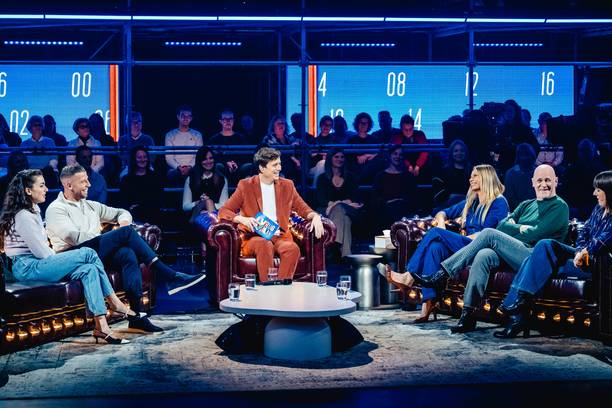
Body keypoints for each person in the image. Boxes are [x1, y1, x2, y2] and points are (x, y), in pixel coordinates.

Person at [45, 165, 206, 333]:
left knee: (127, 254)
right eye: (83, 181)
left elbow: (122, 212)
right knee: (126, 234)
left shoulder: (91, 206)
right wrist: (112, 237)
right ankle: (169, 275)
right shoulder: (56, 209)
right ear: (69, 185)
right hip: (73, 258)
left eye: (88, 180)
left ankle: (137, 317)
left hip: (93, 253)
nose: (89, 184)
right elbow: (73, 238)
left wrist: (122, 224)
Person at [414, 164, 569, 333]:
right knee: (483, 254)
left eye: (547, 180)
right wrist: (521, 228)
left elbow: (537, 234)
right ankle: (468, 315)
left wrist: (515, 229)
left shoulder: (559, 206)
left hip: (534, 257)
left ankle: (441, 274)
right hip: (513, 253)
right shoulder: (526, 205)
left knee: (488, 233)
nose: (543, 184)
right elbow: (502, 226)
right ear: (532, 182)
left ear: (556, 181)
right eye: (539, 180)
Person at [0, 169, 131, 344]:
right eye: (42, 185)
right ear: (28, 190)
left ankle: (102, 326)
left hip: (38, 263)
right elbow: (42, 253)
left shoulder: (34, 210)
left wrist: (64, 260)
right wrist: (64, 259)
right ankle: (114, 302)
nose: (46, 189)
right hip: (27, 267)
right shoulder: (23, 215)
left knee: (89, 269)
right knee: (88, 253)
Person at [383, 164, 508, 323]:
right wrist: (442, 225)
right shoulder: (471, 202)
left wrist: (442, 234)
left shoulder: (499, 202)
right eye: (471, 176)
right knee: (435, 247)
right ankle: (428, 302)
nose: (471, 179)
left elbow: (488, 234)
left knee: (435, 234)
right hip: (465, 245)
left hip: (482, 248)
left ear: (487, 177)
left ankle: (408, 276)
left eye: (475, 176)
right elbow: (442, 212)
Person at [495, 170, 612, 338]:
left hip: (597, 263)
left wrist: (586, 251)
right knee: (544, 245)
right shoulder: (598, 209)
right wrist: (579, 251)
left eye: (598, 190)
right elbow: (584, 232)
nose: (594, 193)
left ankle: (516, 309)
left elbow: (604, 240)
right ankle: (520, 305)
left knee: (535, 260)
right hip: (581, 256)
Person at [218, 147, 324, 282]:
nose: (279, 168)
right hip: (254, 237)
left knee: (292, 249)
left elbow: (303, 209)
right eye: (275, 165)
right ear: (262, 168)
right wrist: (242, 219)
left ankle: (279, 288)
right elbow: (224, 211)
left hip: (280, 236)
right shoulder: (246, 186)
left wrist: (315, 216)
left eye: (279, 164)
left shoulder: (287, 186)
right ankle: (267, 286)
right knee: (264, 244)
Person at [314, 148, 362, 259]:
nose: (340, 159)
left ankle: (334, 243)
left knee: (340, 209)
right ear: (330, 159)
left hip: (348, 209)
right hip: (327, 211)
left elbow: (355, 197)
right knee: (345, 218)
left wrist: (337, 203)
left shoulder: (351, 177)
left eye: (342, 157)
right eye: (336, 157)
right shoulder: (322, 178)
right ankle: (346, 255)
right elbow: (322, 200)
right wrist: (339, 204)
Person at [371, 145, 418, 233]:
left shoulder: (408, 176)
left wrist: (400, 201)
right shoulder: (380, 176)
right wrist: (388, 202)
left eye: (400, 155)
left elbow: (414, 197)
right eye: (395, 154)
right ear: (389, 156)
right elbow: (375, 198)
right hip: (385, 210)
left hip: (404, 209)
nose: (398, 157)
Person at [119, 147, 164, 224]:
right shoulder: (126, 179)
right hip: (133, 215)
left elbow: (158, 199)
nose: (142, 160)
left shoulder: (155, 177)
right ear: (134, 159)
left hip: (152, 214)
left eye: (145, 157)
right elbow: (124, 200)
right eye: (139, 157)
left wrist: (140, 205)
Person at [182, 146, 228, 220]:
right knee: (207, 203)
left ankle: (212, 223)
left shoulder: (222, 179)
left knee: (208, 203)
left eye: (210, 158)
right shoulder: (191, 179)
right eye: (204, 159)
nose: (208, 161)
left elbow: (223, 205)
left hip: (216, 213)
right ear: (199, 161)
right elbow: (185, 206)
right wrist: (199, 203)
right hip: (196, 215)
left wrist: (208, 206)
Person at [165, 106, 204, 186]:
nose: (186, 118)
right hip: (175, 168)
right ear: (178, 117)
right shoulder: (169, 135)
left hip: (193, 167)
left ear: (191, 118)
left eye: (188, 116)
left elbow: (199, 155)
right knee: (171, 174)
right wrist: (178, 167)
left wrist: (189, 167)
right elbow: (169, 157)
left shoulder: (197, 135)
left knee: (198, 173)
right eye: (183, 116)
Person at [208, 110, 247, 183]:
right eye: (225, 119)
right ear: (220, 121)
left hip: (238, 167)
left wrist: (236, 164)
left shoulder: (241, 138)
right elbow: (213, 158)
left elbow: (246, 156)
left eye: (230, 119)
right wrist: (226, 163)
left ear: (233, 121)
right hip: (222, 168)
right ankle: (222, 187)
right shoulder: (214, 139)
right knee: (217, 166)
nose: (228, 121)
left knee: (248, 166)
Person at [433, 139, 472, 209]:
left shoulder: (473, 171)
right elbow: (438, 197)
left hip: (468, 206)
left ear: (466, 153)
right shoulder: (443, 172)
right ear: (451, 153)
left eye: (462, 151)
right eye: (456, 151)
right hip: (448, 207)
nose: (459, 153)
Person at [261, 115, 301, 181]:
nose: (281, 125)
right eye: (279, 124)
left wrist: (297, 144)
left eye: (283, 123)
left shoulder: (289, 138)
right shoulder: (269, 138)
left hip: (291, 166)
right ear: (273, 126)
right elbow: (274, 153)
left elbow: (300, 143)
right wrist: (293, 158)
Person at [503, 143, 537, 210]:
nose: (525, 158)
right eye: (523, 155)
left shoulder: (539, 172)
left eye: (527, 155)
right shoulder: (511, 174)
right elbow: (510, 197)